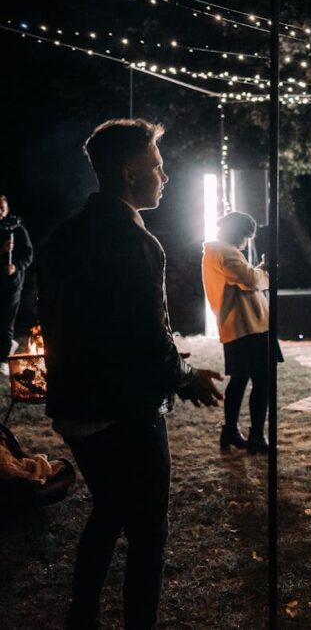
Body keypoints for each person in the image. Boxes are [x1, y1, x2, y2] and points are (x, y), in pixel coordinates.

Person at [39, 119, 223, 629]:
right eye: (157, 167)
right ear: (128, 173)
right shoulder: (138, 243)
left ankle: (82, 615)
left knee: (108, 509)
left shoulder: (62, 238)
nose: (165, 177)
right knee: (147, 530)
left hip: (74, 409)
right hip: (125, 412)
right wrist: (185, 378)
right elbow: (147, 337)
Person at [202, 211, 281, 454]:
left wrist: (258, 271)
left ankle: (231, 430)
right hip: (249, 326)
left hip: (242, 326)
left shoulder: (217, 252)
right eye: (246, 237)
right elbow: (248, 279)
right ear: (239, 234)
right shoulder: (224, 252)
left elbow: (244, 279)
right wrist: (265, 270)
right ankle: (256, 435)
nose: (246, 243)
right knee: (262, 381)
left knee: (240, 379)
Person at [0, 194, 33, 376]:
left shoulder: (17, 229)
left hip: (12, 283)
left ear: (7, 209)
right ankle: (7, 345)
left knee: (6, 320)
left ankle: (3, 359)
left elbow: (28, 255)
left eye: (1, 208)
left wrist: (16, 266)